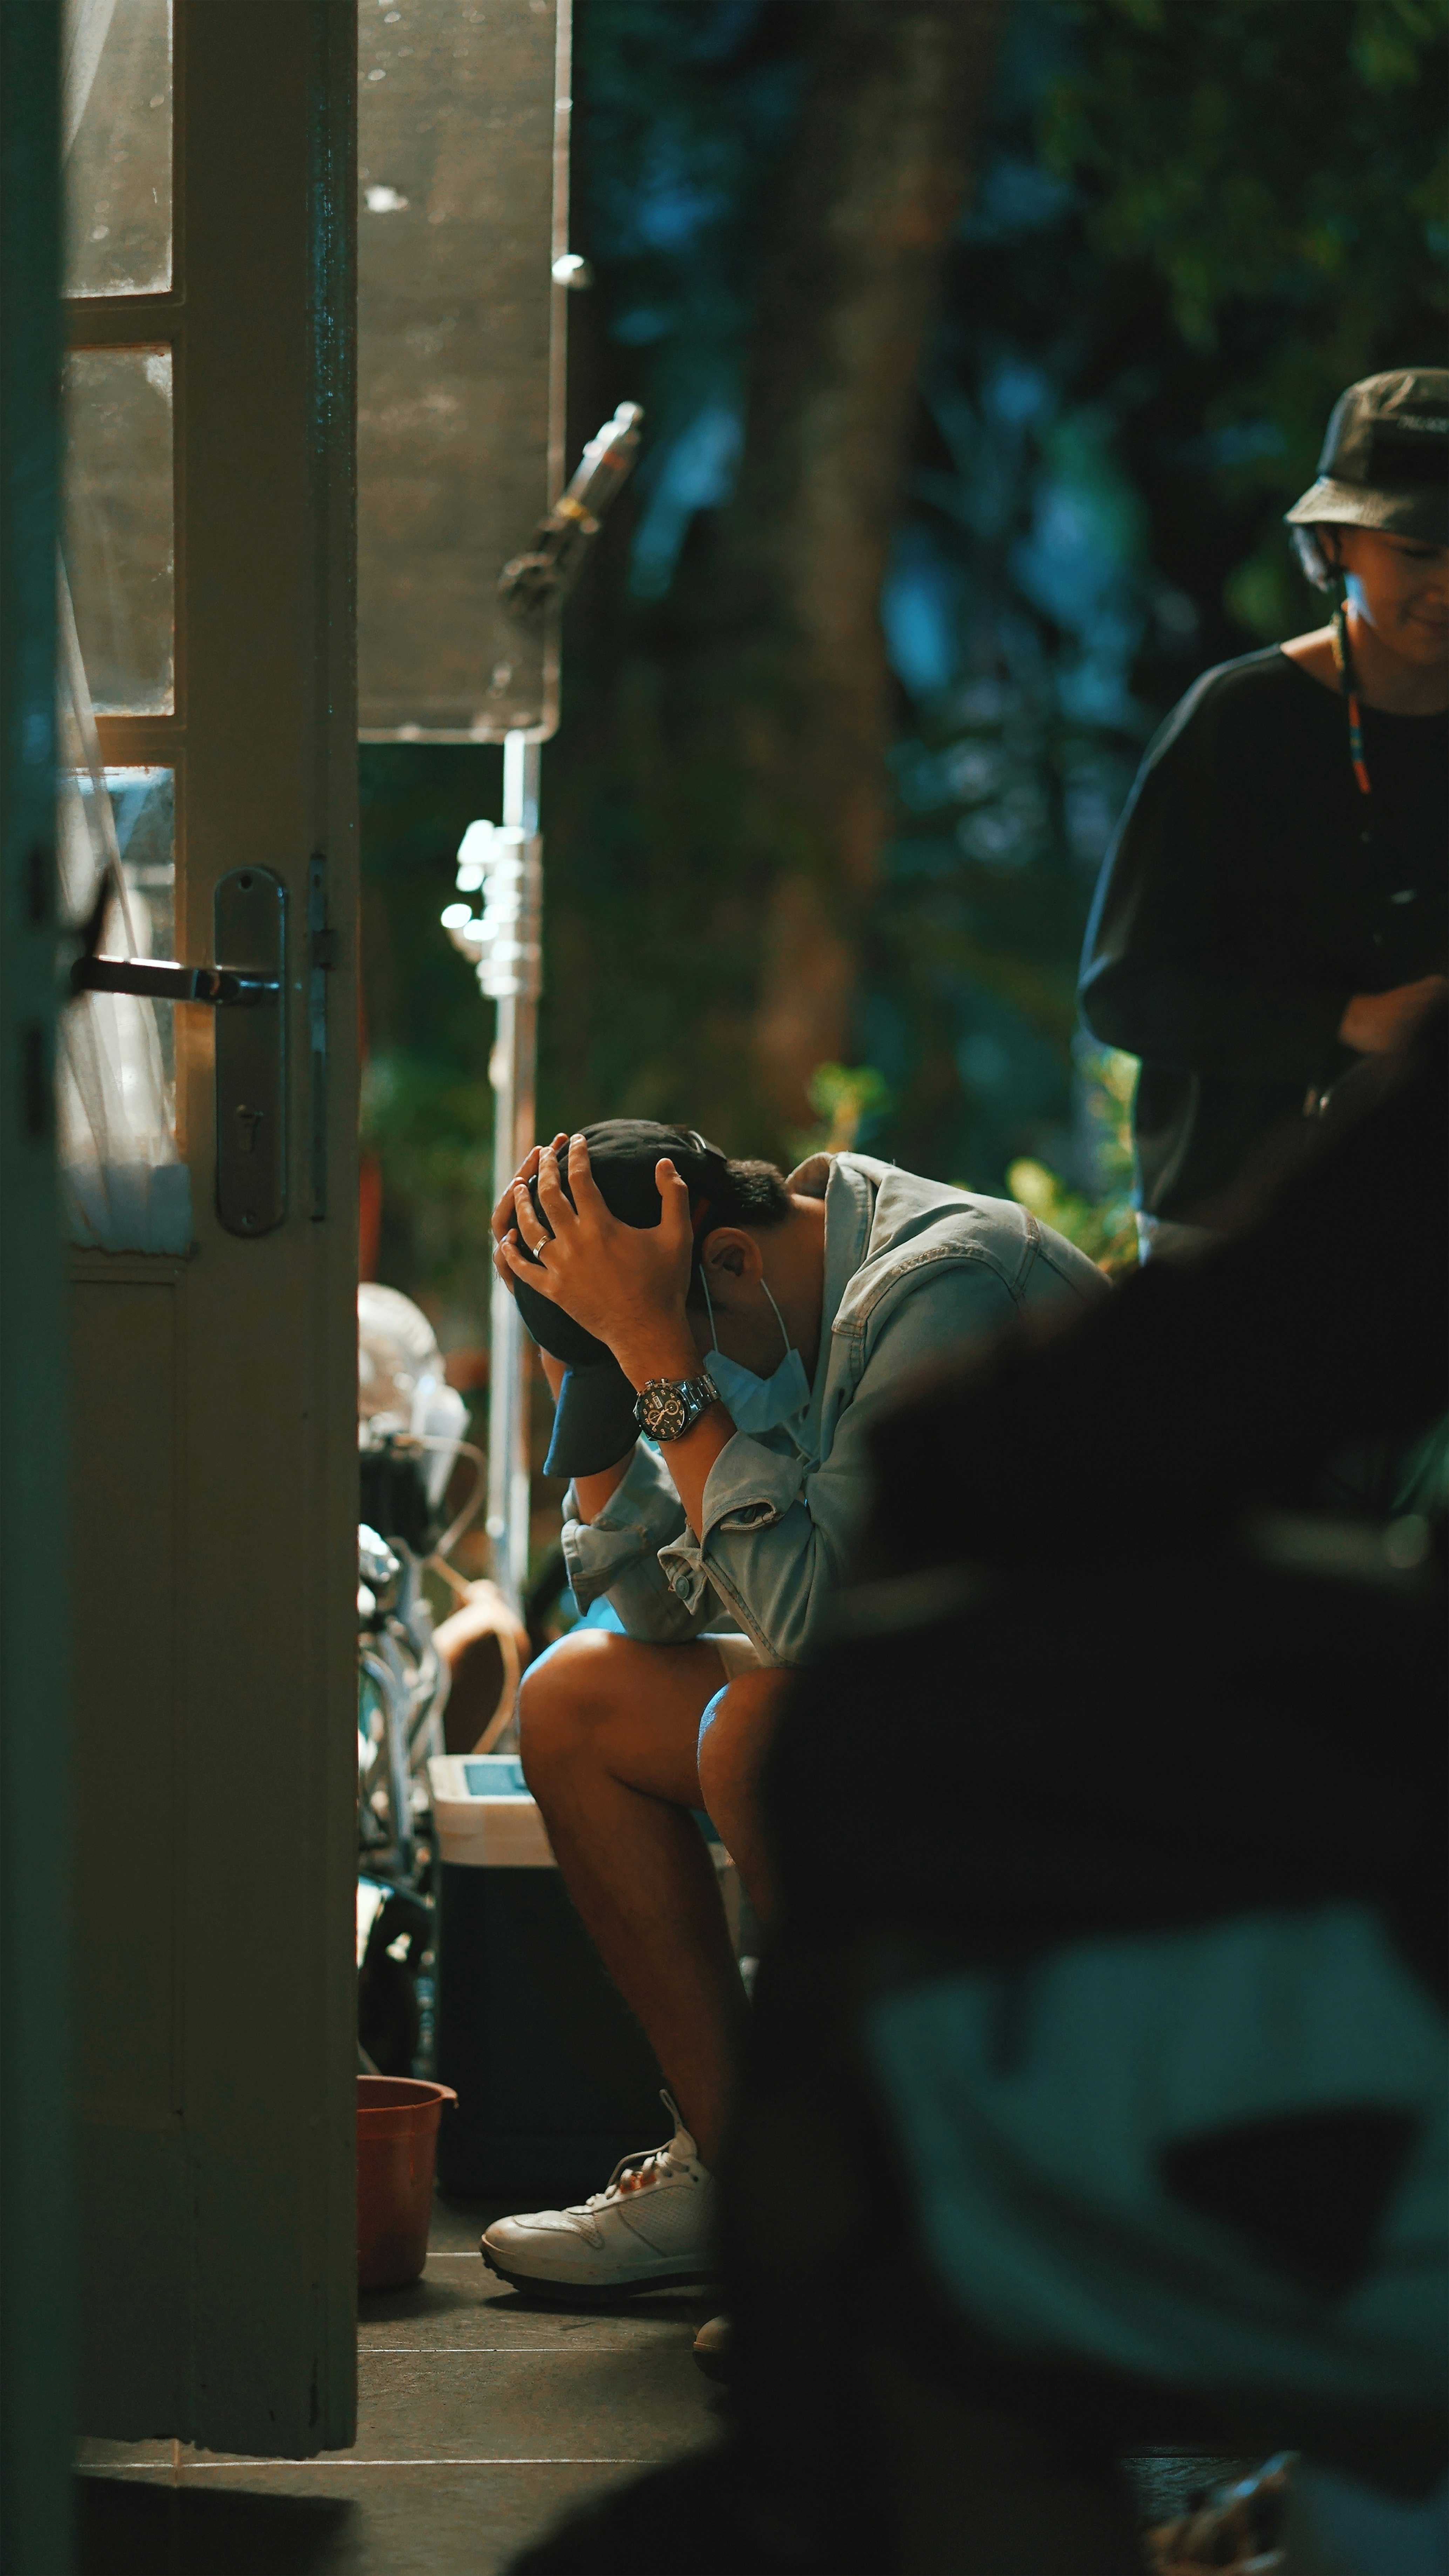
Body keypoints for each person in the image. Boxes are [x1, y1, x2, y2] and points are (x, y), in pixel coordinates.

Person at [475, 1119, 1108, 2295]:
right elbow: (655, 1617)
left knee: (765, 1734)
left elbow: (822, 1626)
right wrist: (600, 1388)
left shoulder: (942, 1289)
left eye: (662, 1347)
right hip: (957, 1718)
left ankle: (901, 2239)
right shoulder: (762, 1308)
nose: (677, 1387)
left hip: (1125, 1758)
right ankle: (752, 2187)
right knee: (574, 1703)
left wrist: (662, 1364)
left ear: (725, 1261)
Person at [1079, 367, 1448, 1255]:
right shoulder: (1238, 719)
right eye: (1419, 548)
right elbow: (1125, 994)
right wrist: (1350, 1022)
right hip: (1237, 1231)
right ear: (1335, 544)